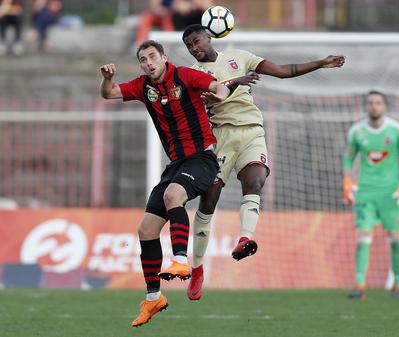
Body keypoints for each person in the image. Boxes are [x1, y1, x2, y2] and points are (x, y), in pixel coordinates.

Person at [182, 24, 345, 300]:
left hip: (251, 131)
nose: (194, 48)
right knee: (208, 201)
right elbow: (208, 97)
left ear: (210, 37)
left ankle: (245, 238)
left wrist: (320, 63)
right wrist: (234, 83)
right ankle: (196, 269)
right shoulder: (192, 74)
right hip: (219, 136)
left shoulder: (239, 56)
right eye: (189, 46)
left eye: (197, 41)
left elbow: (281, 71)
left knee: (255, 181)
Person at [100, 40, 229, 326]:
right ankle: (153, 298)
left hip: (202, 159)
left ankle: (181, 260)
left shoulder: (185, 75)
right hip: (176, 165)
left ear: (163, 58)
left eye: (151, 57)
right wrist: (107, 78)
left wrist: (220, 94)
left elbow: (216, 85)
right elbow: (109, 93)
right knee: (145, 229)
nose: (148, 63)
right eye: (142, 60)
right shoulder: (143, 86)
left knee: (174, 196)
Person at [343, 90, 399, 300]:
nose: (374, 106)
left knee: (396, 240)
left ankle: (397, 285)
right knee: (363, 239)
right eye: (370, 103)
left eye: (377, 103)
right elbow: (348, 159)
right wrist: (348, 182)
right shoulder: (357, 131)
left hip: (391, 194)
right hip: (365, 193)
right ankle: (359, 285)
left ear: (384, 106)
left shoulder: (395, 130)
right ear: (366, 106)